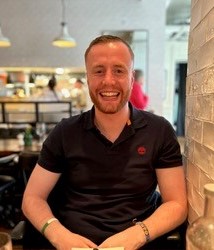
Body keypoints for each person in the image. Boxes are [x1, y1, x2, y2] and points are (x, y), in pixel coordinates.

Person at [22, 35, 187, 250]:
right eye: (99, 71)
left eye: (119, 70)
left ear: (131, 77)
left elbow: (177, 203)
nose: (108, 80)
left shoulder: (159, 131)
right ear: (88, 78)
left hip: (138, 243)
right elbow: (33, 198)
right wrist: (58, 235)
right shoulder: (64, 132)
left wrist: (138, 235)